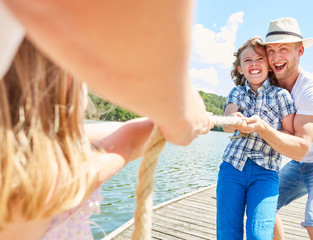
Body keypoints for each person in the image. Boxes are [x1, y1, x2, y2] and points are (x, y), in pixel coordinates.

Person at [0, 38, 155, 240]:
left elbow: (109, 132)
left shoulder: (17, 163)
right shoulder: (48, 180)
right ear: (68, 80)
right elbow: (133, 140)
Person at [0, 0, 214, 146]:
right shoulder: (62, 172)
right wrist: (179, 116)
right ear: (64, 84)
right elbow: (129, 142)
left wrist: (165, 120)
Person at [239, 17, 313, 239]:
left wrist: (262, 127)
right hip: (303, 162)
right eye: (271, 50)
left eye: (283, 49)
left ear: (300, 51)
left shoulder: (312, 91)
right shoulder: (270, 84)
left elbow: (300, 148)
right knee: (261, 204)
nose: (275, 57)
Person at [217, 37, 295, 240]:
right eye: (247, 60)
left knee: (259, 234)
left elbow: (289, 134)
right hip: (232, 168)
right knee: (227, 233)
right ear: (241, 69)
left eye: (260, 58)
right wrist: (234, 120)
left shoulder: (282, 96)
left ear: (269, 66)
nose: (254, 63)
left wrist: (264, 128)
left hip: (265, 171)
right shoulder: (236, 92)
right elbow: (226, 124)